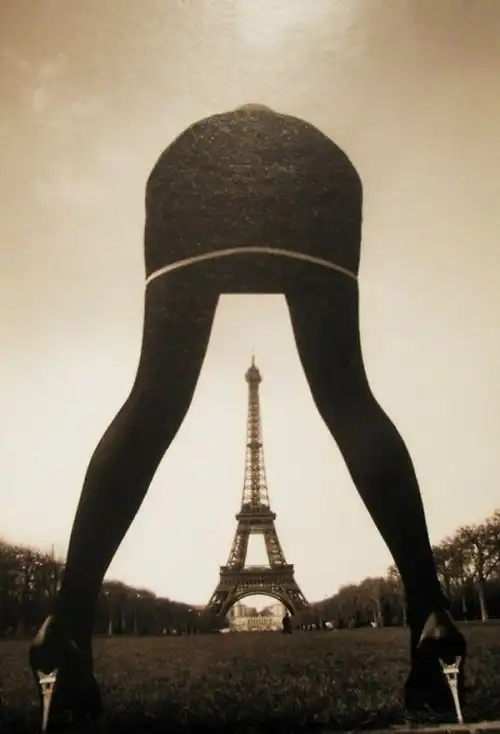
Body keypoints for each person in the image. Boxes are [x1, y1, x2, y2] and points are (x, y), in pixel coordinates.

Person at [29, 103, 466, 731]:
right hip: (315, 167)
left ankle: (67, 623)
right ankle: (431, 612)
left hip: (193, 165)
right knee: (349, 399)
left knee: (152, 402)